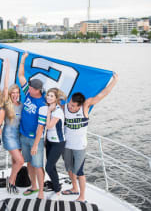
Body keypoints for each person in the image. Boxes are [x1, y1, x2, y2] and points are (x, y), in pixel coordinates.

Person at [62, 73, 119, 202]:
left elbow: (103, 94)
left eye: (73, 106)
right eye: (70, 104)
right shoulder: (64, 106)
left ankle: (81, 196)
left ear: (79, 105)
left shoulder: (85, 107)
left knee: (79, 172)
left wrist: (114, 81)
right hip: (66, 145)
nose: (70, 107)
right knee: (69, 169)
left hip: (80, 146)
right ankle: (74, 188)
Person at [17, 52, 46, 199]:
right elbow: (21, 76)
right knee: (29, 163)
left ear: (38, 90)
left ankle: (41, 191)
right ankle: (33, 186)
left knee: (38, 165)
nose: (29, 89)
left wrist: (35, 144)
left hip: (35, 139)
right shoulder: (28, 93)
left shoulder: (42, 104)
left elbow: (41, 127)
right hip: (24, 136)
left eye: (32, 88)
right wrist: (23, 60)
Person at [2, 60, 24, 194]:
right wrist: (7, 69)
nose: (15, 94)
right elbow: (5, 88)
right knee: (20, 161)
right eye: (13, 93)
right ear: (10, 94)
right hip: (9, 136)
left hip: (19, 136)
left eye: (17, 92)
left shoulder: (21, 105)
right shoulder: (7, 103)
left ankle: (13, 183)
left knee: (15, 160)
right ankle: (10, 181)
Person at [40, 88, 66, 199]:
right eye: (48, 95)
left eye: (51, 96)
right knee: (52, 166)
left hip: (58, 143)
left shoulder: (58, 111)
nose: (49, 97)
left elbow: (49, 126)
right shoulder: (49, 108)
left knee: (48, 167)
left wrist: (49, 111)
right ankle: (56, 187)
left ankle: (57, 189)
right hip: (49, 142)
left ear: (56, 98)